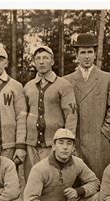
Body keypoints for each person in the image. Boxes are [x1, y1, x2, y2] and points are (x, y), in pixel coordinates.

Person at [64, 33, 110, 180]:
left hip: (99, 144)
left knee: (100, 182)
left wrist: (104, 135)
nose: (86, 56)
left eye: (90, 52)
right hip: (76, 140)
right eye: (82, 52)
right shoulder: (67, 81)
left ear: (95, 54)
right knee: (77, 182)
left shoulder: (108, 79)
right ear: (76, 55)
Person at [23, 46, 77, 179]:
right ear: (34, 62)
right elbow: (23, 114)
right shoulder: (28, 86)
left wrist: (68, 141)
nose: (41, 62)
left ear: (52, 61)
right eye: (38, 59)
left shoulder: (63, 85)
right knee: (32, 178)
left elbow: (71, 114)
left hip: (52, 143)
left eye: (45, 58)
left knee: (51, 178)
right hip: (31, 143)